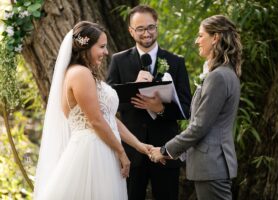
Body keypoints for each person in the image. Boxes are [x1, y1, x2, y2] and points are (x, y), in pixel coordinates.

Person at [34, 21, 152, 200]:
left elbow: (108, 118)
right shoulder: (80, 74)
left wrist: (138, 145)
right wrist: (121, 152)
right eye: (102, 47)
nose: (106, 52)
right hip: (92, 153)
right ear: (86, 47)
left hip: (103, 147)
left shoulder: (84, 73)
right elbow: (96, 120)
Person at [150, 15, 242, 200]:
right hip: (212, 165)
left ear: (215, 37)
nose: (197, 41)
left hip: (212, 165)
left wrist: (165, 150)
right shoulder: (224, 72)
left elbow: (199, 126)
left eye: (201, 35)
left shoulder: (218, 77)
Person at [107, 5, 192, 200]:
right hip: (131, 150)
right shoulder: (118, 61)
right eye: (140, 29)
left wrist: (160, 109)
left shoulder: (176, 62)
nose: (147, 33)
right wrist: (134, 88)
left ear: (157, 26)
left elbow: (186, 109)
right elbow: (108, 104)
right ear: (131, 31)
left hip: (166, 150)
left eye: (151, 27)